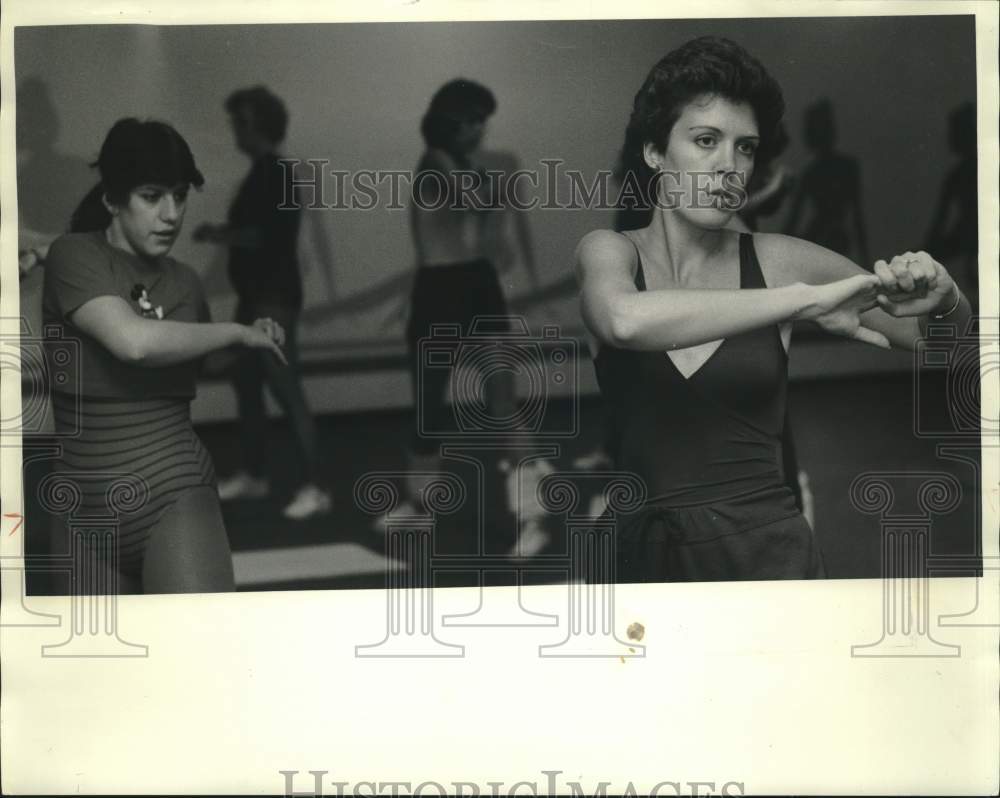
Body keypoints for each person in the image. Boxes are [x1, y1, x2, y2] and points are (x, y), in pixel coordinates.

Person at [576, 36, 972, 583]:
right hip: (640, 562)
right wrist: (803, 301)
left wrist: (947, 297)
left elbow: (946, 344)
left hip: (767, 558)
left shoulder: (779, 259)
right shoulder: (610, 251)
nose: (728, 166)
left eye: (745, 147)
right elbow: (624, 320)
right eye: (706, 140)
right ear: (654, 152)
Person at [42, 118, 288, 594]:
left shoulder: (185, 281)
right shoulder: (74, 255)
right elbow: (132, 343)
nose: (171, 214)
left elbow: (202, 361)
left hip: (170, 493)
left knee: (195, 656)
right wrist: (235, 332)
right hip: (80, 509)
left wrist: (254, 339)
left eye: (179, 196)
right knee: (97, 667)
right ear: (113, 199)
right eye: (152, 196)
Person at [387, 78, 550, 557]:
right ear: (449, 120)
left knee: (503, 401)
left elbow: (492, 236)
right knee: (428, 403)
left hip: (474, 285)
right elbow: (474, 202)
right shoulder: (435, 162)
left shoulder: (469, 166)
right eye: (473, 119)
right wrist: (496, 189)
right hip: (439, 288)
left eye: (484, 120)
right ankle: (420, 506)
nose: (480, 129)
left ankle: (532, 517)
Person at [193, 86, 331, 520]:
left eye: (242, 122)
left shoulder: (276, 173)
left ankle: (316, 486)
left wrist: (218, 234)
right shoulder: (261, 173)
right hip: (256, 297)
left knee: (284, 386)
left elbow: (263, 235)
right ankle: (255, 475)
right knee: (247, 383)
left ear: (262, 126)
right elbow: (256, 230)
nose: (236, 130)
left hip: (272, 298)